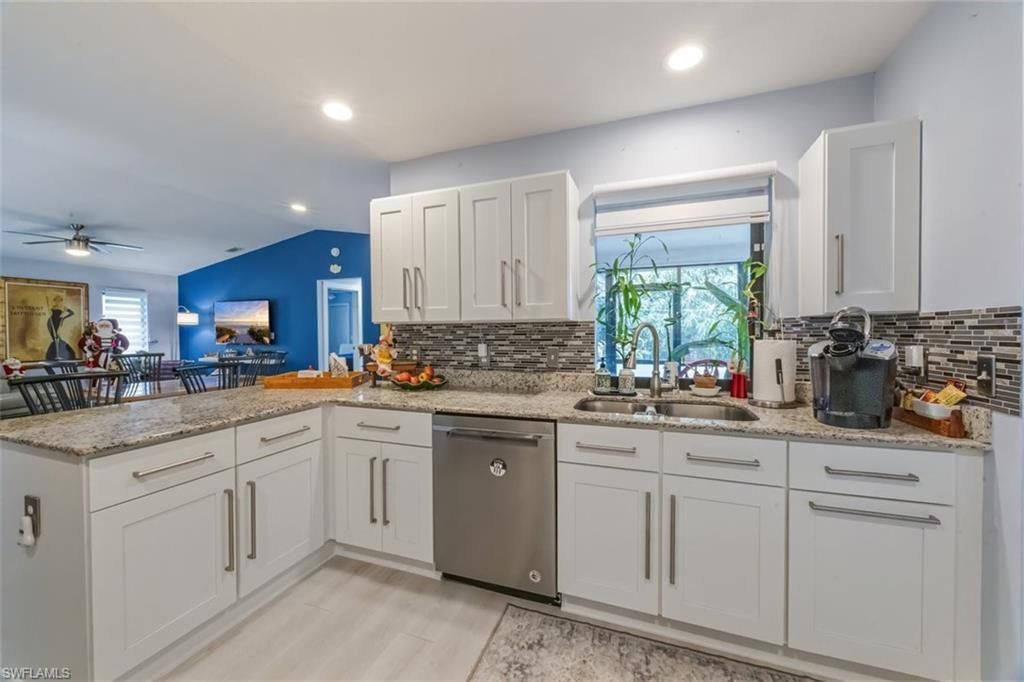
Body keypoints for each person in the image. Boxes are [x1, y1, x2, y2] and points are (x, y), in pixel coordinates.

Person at [45, 294, 76, 360]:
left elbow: (71, 313)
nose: (57, 301)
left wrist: (63, 318)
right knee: (54, 337)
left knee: (57, 336)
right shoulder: (53, 306)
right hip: (51, 321)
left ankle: (60, 353)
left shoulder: (62, 307)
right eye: (56, 300)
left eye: (59, 300)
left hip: (58, 321)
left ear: (60, 300)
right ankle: (56, 354)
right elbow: (51, 314)